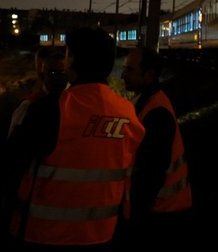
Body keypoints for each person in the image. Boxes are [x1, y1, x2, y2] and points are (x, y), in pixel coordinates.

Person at [7, 28, 145, 248]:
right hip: (101, 235)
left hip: (44, 235)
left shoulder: (50, 109)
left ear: (73, 61)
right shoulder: (127, 112)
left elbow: (11, 165)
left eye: (68, 54)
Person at [120, 47, 193, 244]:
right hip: (161, 210)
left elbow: (150, 173)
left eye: (130, 70)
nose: (123, 75)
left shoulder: (156, 113)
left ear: (149, 74)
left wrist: (135, 216)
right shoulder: (147, 103)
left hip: (161, 213)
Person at [8, 45, 68, 138]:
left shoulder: (30, 104)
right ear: (42, 71)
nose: (58, 77)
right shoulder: (28, 105)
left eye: (62, 72)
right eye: (53, 72)